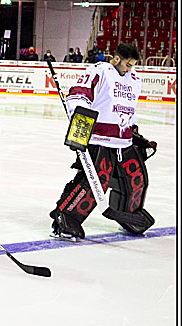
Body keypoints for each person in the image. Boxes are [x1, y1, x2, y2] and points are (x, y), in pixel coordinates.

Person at [50, 43, 154, 240]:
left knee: (136, 179)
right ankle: (66, 217)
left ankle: (129, 214)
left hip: (124, 141)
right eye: (127, 64)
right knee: (96, 181)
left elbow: (130, 108)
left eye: (132, 65)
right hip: (100, 139)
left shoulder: (134, 79)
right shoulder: (100, 71)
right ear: (116, 59)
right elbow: (79, 96)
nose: (129, 69)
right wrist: (80, 128)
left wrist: (135, 133)